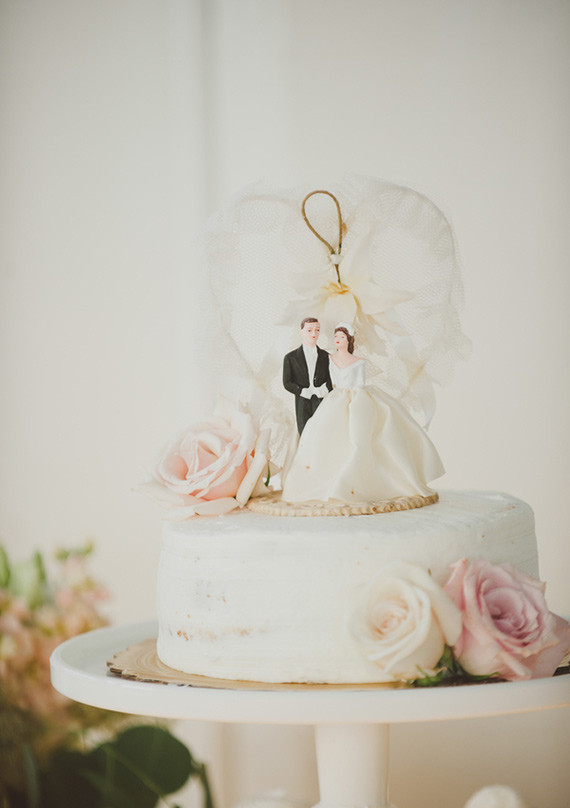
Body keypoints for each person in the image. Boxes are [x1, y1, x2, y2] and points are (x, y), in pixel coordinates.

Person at [282, 322, 445, 503]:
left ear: (349, 340)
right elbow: (327, 380)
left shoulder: (358, 361)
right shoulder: (329, 358)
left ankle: (368, 481)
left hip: (357, 397)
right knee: (326, 436)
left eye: (341, 337)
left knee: (366, 433)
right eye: (336, 337)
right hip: (335, 399)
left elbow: (359, 382)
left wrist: (351, 394)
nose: (337, 340)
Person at [283, 317, 333, 435]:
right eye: (309, 330)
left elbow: (332, 378)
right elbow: (287, 382)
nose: (314, 333)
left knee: (322, 432)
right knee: (305, 433)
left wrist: (325, 389)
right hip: (302, 401)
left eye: (317, 330)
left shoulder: (326, 356)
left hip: (322, 400)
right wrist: (301, 391)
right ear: (302, 331)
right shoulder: (290, 357)